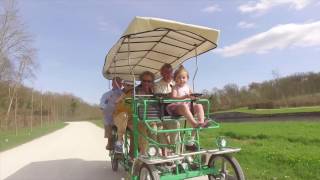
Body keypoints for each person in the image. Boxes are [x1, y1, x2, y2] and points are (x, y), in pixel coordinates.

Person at [167, 66, 209, 151]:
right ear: (175, 79)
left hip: (187, 106)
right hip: (177, 107)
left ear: (187, 78)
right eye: (179, 78)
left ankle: (200, 122)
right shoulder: (175, 87)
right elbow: (173, 98)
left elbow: (191, 96)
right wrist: (184, 97)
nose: (182, 79)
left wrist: (194, 97)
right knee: (184, 106)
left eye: (184, 77)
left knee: (199, 105)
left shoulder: (187, 87)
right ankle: (194, 123)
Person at [154, 63, 180, 156]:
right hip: (162, 112)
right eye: (166, 72)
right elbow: (159, 96)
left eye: (170, 71)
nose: (168, 74)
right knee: (159, 129)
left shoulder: (176, 83)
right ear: (161, 73)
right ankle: (165, 152)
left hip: (173, 113)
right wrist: (172, 95)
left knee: (176, 124)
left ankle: (175, 151)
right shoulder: (157, 84)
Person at [99, 77, 123, 150]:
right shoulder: (106, 94)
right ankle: (109, 142)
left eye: (120, 82)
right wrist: (106, 108)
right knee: (108, 123)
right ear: (112, 84)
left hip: (120, 117)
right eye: (116, 82)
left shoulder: (123, 94)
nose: (118, 84)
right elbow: (102, 105)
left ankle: (120, 141)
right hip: (109, 117)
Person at [113, 81, 134, 154]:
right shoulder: (117, 93)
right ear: (123, 85)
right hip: (118, 117)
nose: (130, 87)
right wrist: (121, 97)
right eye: (128, 85)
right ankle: (119, 142)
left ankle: (133, 153)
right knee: (124, 115)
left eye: (132, 85)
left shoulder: (134, 94)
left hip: (130, 118)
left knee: (136, 129)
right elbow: (114, 104)